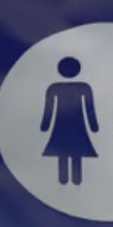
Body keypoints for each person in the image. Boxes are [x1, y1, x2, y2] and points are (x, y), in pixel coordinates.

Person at [40, 57, 99, 185]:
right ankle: (67, 179)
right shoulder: (59, 88)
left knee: (69, 150)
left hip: (70, 124)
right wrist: (94, 126)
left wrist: (45, 126)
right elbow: (49, 109)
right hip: (68, 123)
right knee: (68, 150)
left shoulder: (80, 88)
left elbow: (89, 109)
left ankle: (72, 180)